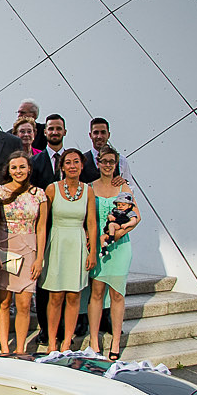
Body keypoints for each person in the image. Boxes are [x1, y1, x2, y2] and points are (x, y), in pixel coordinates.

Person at [42, 148, 99, 355]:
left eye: (76, 162)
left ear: (82, 166)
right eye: (68, 162)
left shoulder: (88, 191)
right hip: (57, 242)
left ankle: (67, 341)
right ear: (62, 166)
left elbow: (91, 223)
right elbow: (43, 223)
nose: (72, 166)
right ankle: (51, 341)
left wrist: (92, 252)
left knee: (74, 296)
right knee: (55, 296)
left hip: (77, 243)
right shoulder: (52, 189)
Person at [87, 147, 140, 358]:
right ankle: (94, 341)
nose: (107, 165)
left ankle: (116, 342)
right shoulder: (91, 187)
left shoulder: (123, 186)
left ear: (116, 164)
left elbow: (137, 216)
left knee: (117, 293)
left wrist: (120, 232)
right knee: (97, 292)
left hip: (120, 246)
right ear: (98, 163)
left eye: (111, 162)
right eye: (104, 161)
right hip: (99, 245)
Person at [0, 150, 47, 358]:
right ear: (8, 169)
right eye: (14, 167)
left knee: (24, 303)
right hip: (5, 249)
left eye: (22, 167)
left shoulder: (39, 194)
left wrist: (40, 258)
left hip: (29, 248)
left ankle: (21, 349)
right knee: (4, 301)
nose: (18, 171)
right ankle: (5, 349)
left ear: (29, 169)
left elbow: (42, 228)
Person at [31, 115, 70, 190]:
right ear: (45, 132)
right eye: (51, 129)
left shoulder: (73, 160)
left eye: (58, 129)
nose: (54, 132)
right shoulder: (34, 161)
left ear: (64, 132)